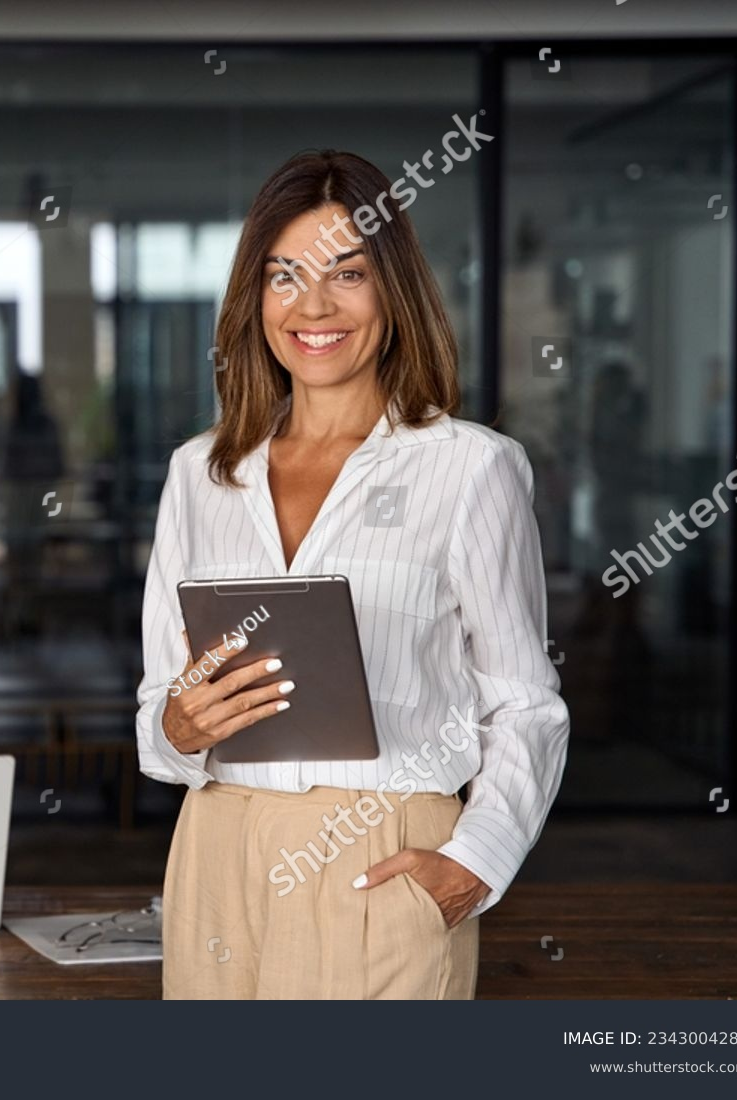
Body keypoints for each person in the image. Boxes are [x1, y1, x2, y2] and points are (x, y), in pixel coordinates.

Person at [136, 150, 570, 999]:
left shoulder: (470, 469)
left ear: (394, 291)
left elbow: (524, 699)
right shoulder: (200, 474)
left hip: (382, 857)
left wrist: (476, 860)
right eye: (285, 276)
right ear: (255, 298)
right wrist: (179, 731)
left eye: (349, 273)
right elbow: (160, 704)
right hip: (218, 854)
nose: (315, 306)